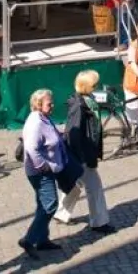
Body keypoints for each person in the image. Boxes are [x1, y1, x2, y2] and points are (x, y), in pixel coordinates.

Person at [55, 70, 115, 234]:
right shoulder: (80, 107)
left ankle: (60, 213)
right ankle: (99, 222)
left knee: (76, 185)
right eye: (95, 85)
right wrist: (82, 158)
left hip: (82, 154)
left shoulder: (85, 101)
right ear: (88, 87)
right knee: (94, 187)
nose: (97, 87)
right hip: (82, 155)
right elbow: (73, 133)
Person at [20, 89, 64, 259]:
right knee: (50, 204)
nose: (52, 106)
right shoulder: (36, 122)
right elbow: (31, 148)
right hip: (40, 172)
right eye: (49, 103)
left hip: (45, 170)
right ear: (38, 104)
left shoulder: (42, 118)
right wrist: (43, 166)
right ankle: (29, 240)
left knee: (42, 204)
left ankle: (43, 239)